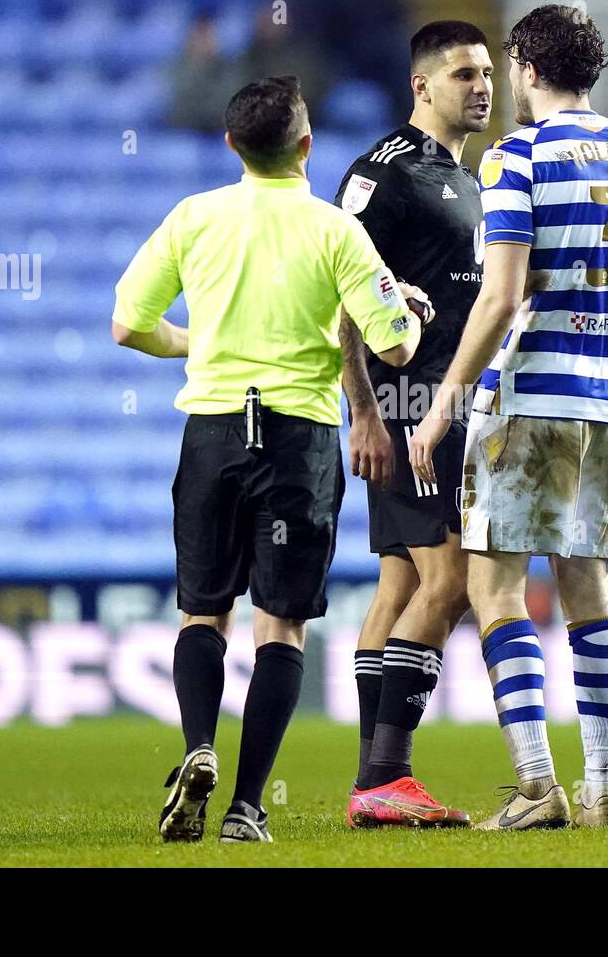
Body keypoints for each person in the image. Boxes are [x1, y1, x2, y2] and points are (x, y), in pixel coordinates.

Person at [112, 75, 433, 844]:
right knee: (281, 627)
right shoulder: (333, 230)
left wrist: (204, 342)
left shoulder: (195, 217)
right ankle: (247, 808)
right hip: (298, 440)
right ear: (307, 146)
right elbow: (391, 343)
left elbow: (127, 324)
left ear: (232, 146)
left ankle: (196, 747)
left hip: (213, 431)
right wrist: (413, 312)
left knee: (202, 611)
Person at [408, 5, 608, 830]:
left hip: (527, 401)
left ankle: (538, 788)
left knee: (495, 588)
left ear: (526, 66)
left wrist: (446, 400)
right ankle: (604, 792)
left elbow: (497, 296)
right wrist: (599, 360)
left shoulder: (517, 157)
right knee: (588, 587)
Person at [335, 20, 492, 829]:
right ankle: (385, 773)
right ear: (422, 86)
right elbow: (342, 294)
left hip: (449, 410)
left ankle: (376, 784)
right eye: (464, 73)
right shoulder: (383, 174)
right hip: (406, 414)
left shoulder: (470, 179)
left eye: (488, 72)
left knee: (402, 584)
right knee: (451, 583)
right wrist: (363, 410)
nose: (482, 86)